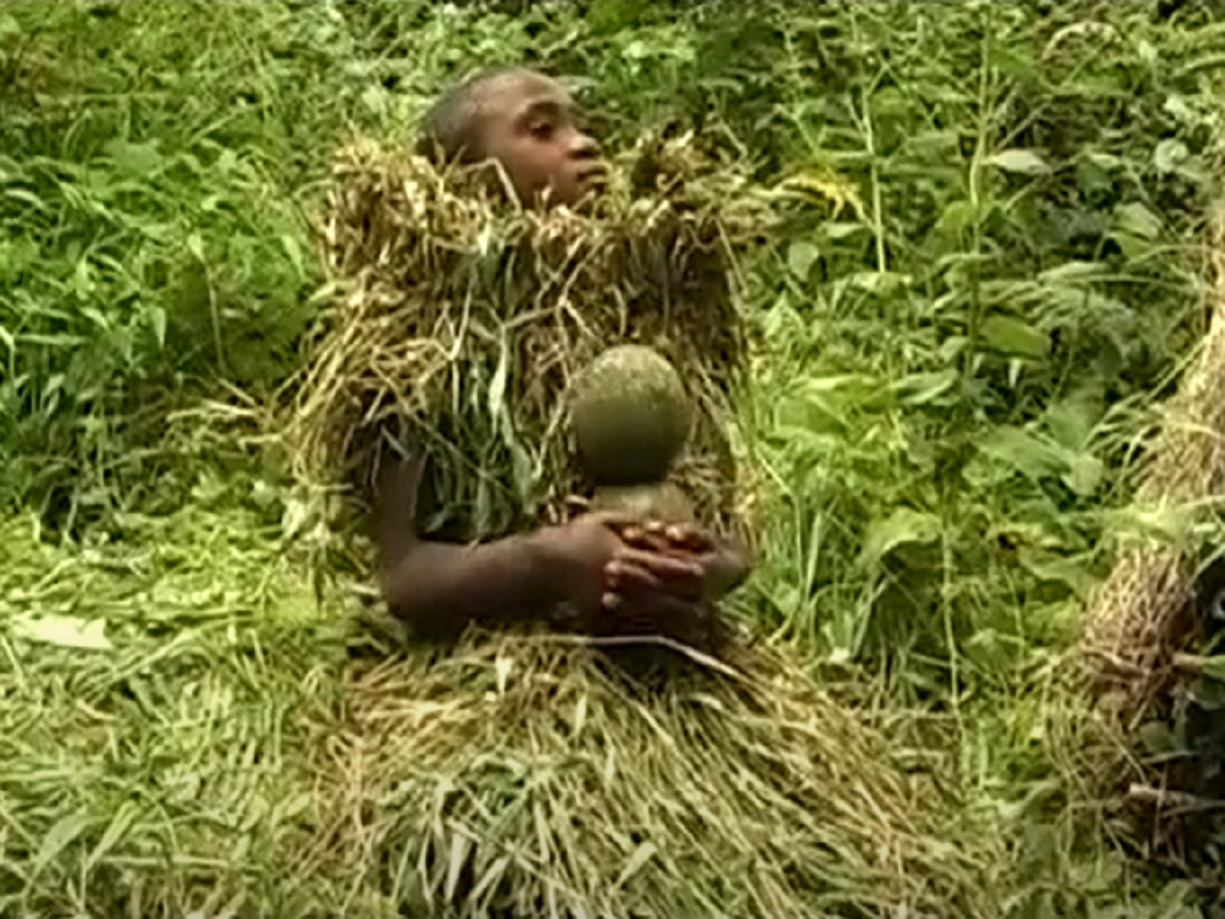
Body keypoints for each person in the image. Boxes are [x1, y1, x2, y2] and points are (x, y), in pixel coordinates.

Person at [368, 66, 750, 645]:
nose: (585, 143)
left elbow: (729, 532)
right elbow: (403, 577)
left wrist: (698, 568)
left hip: (670, 667)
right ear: (456, 183)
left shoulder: (651, 301)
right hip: (500, 674)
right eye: (543, 129)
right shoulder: (422, 343)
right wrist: (547, 561)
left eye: (581, 125)